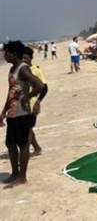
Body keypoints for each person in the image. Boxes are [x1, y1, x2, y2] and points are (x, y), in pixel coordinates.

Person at [0, 41, 45, 186]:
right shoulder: (12, 69)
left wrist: (28, 96)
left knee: (23, 144)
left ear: (13, 54)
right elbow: (10, 92)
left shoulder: (23, 69)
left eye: (6, 53)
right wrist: (3, 113)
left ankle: (22, 177)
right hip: (13, 113)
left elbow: (40, 85)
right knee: (10, 144)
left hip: (22, 113)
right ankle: (14, 173)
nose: (4, 55)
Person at [22, 47, 48, 156]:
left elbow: (45, 88)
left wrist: (38, 102)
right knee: (26, 128)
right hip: (22, 104)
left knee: (27, 129)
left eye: (25, 58)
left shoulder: (36, 70)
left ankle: (26, 152)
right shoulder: (21, 70)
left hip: (32, 104)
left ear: (31, 58)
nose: (23, 60)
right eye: (21, 58)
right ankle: (36, 148)